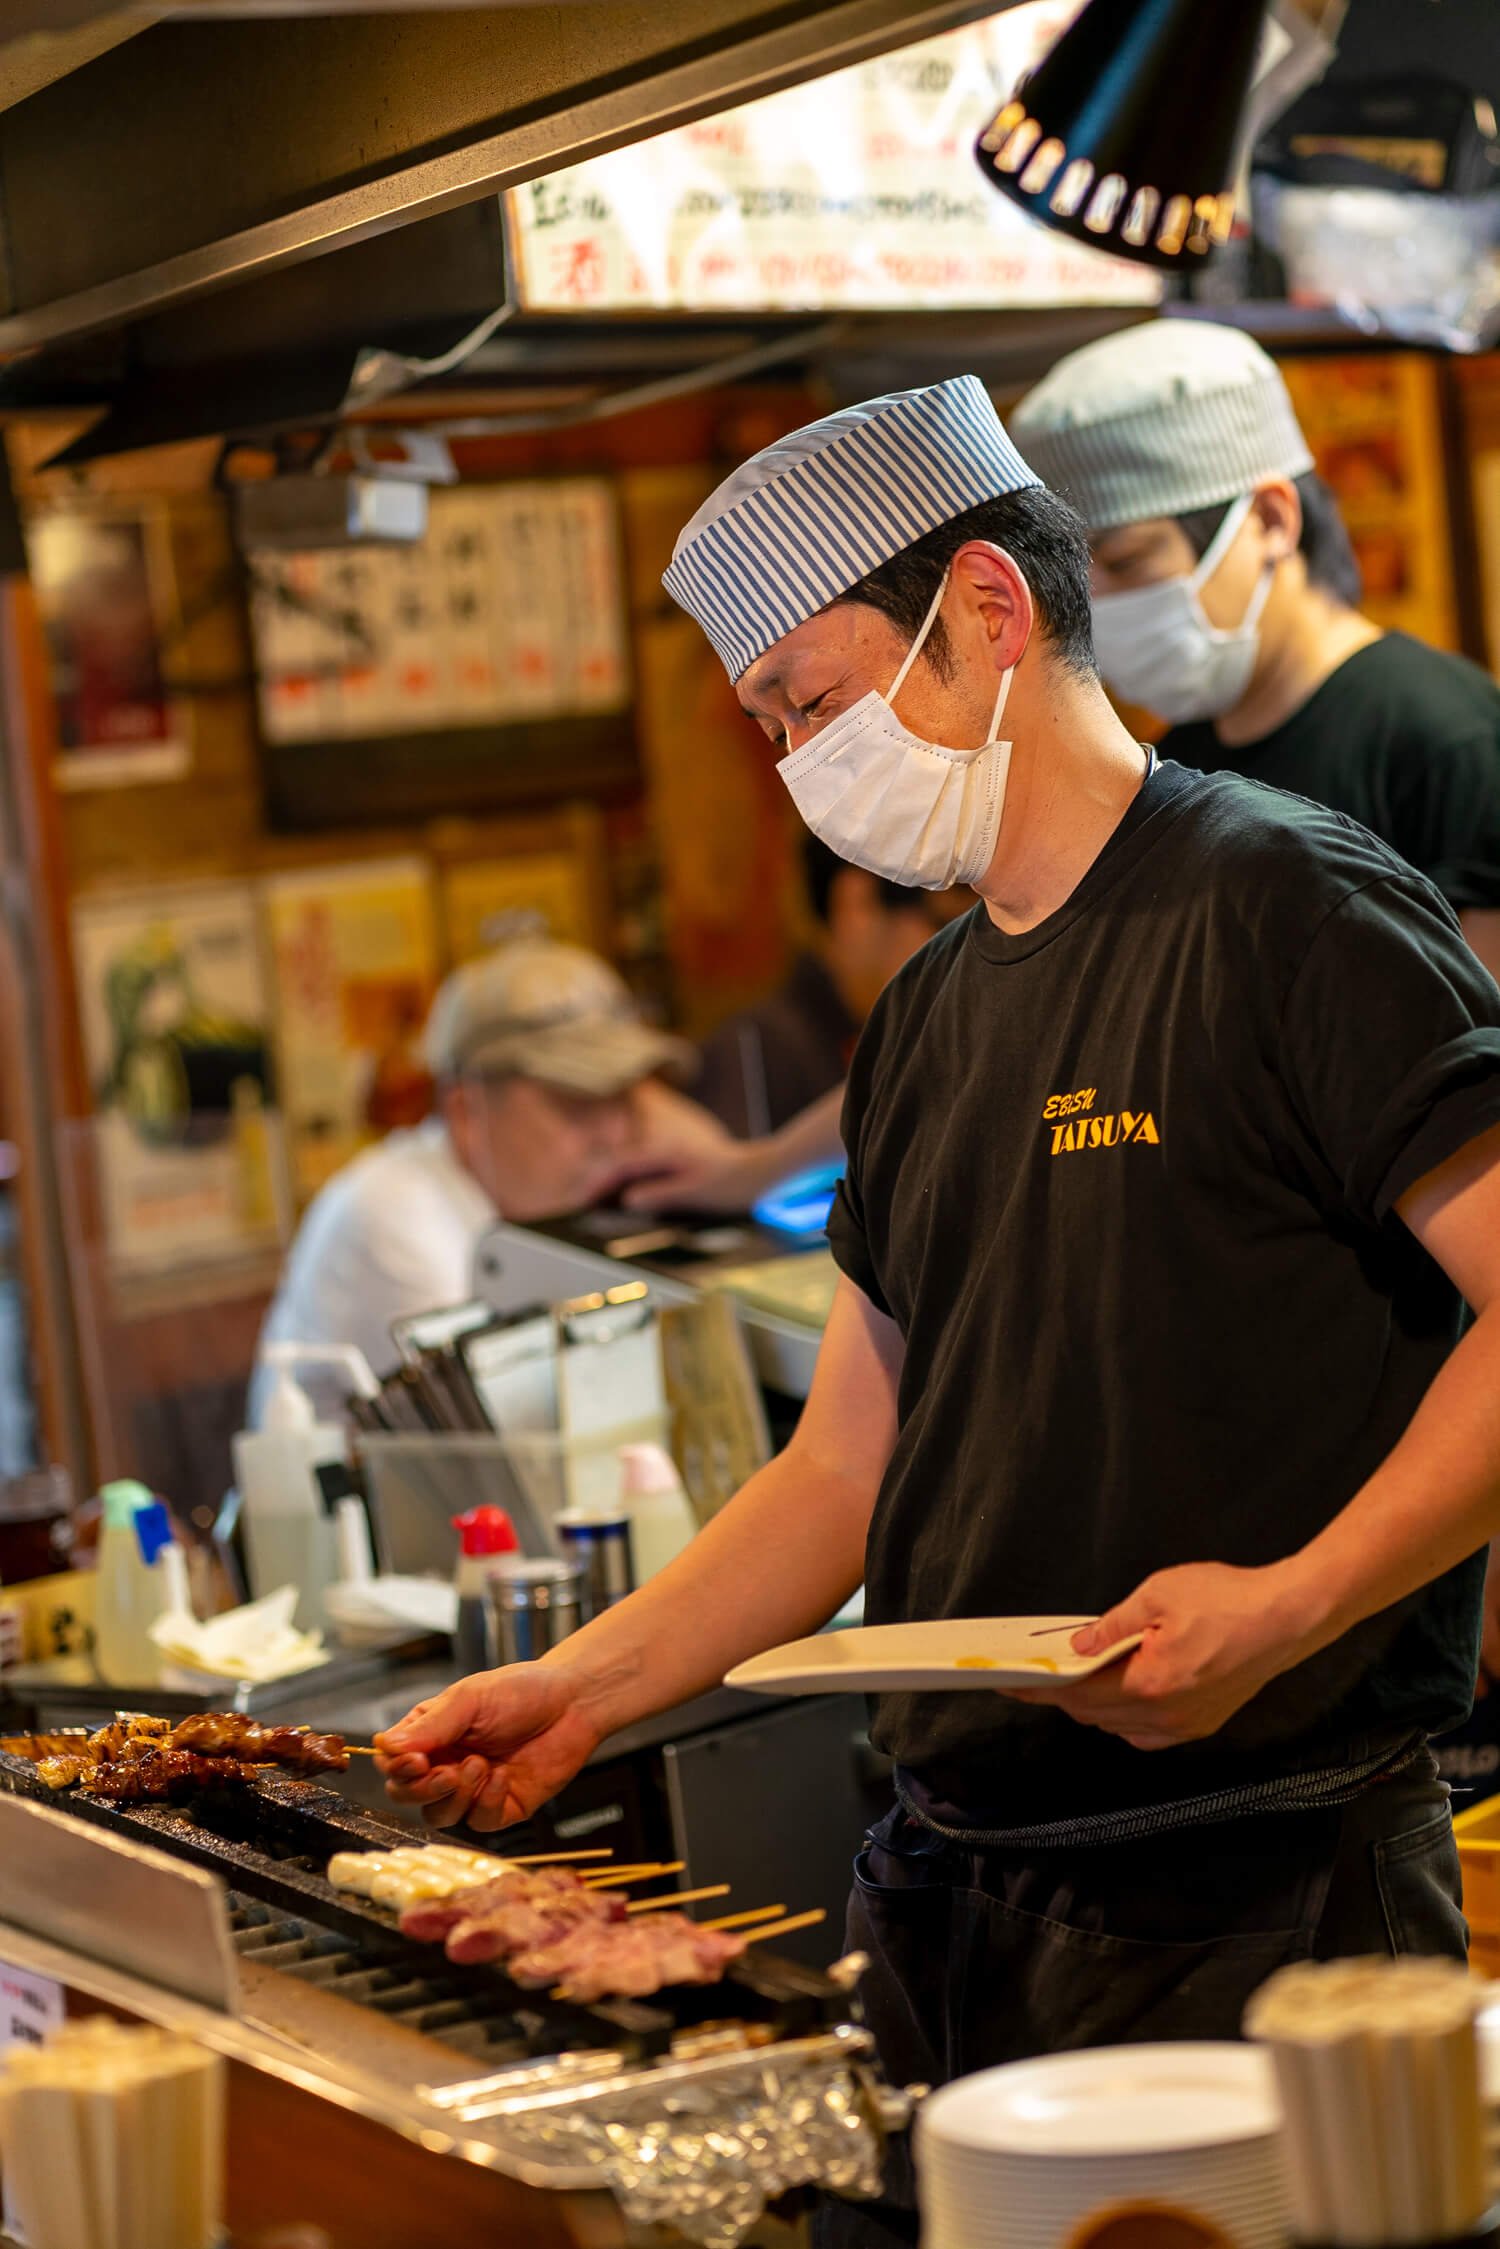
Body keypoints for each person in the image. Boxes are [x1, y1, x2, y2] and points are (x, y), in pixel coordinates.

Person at [374, 377, 1500, 2246]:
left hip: (1263, 1888)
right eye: (772, 727)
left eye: (811, 702)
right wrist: (584, 1687)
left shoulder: (1289, 907)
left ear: (985, 610)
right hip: (951, 1887)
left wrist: (1291, 1595)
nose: (801, 758)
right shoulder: (924, 1020)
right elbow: (845, 1470)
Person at [1009, 319, 1500, 980]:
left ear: (1271, 519)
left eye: (1125, 562)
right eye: (1079, 583)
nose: (1102, 610)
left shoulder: (1448, 741)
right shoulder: (1178, 772)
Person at [249, 935, 729, 1418]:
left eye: (626, 1097)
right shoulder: (390, 1213)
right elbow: (521, 1436)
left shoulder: (553, 1196)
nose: (616, 1133)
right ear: (466, 1112)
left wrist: (725, 1165)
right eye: (577, 1103)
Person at [694, 836, 951, 1138]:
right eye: (938, 920)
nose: (947, 942)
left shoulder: (875, 1031)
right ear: (857, 904)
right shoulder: (756, 1050)